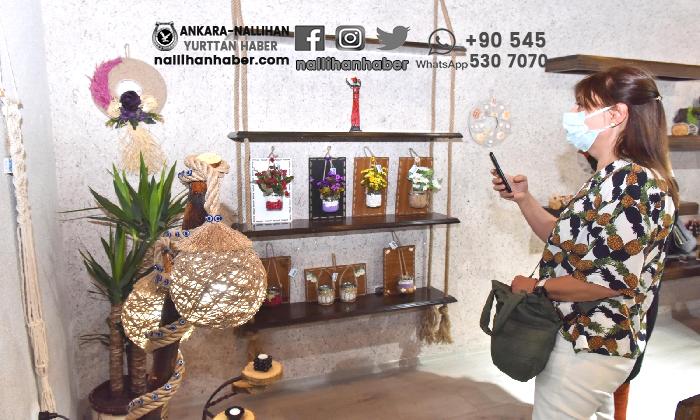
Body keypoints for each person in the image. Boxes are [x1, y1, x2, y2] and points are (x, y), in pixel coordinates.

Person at [491, 65, 678, 419]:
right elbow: (569, 242)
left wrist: (536, 287)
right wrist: (523, 199)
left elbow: (607, 281)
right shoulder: (611, 176)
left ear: (616, 114)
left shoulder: (632, 182)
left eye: (582, 105)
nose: (573, 113)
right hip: (590, 341)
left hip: (590, 341)